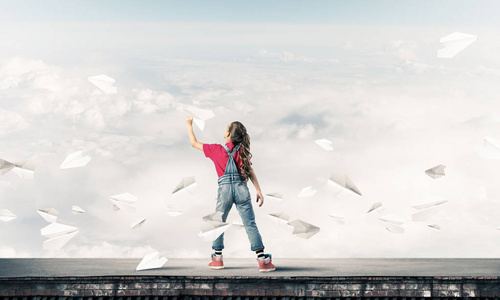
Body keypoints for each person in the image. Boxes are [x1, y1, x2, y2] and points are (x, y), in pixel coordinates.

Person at [185, 116, 275, 272]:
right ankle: (262, 260)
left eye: (226, 128)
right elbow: (250, 171)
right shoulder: (242, 152)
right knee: (250, 224)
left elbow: (193, 143)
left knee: (218, 222)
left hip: (224, 190)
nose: (224, 129)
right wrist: (258, 190)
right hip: (242, 189)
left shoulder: (216, 149)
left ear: (228, 135)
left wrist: (189, 124)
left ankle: (217, 259)